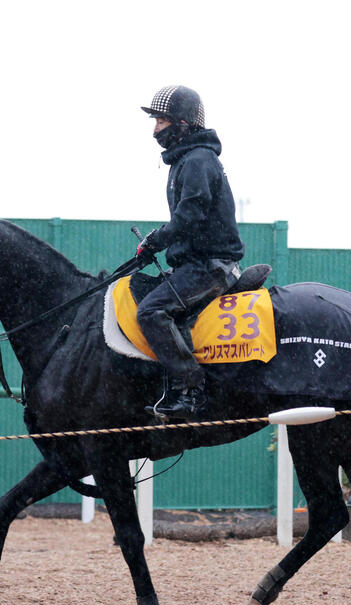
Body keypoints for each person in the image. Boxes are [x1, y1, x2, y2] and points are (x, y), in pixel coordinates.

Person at [136, 85, 245, 418]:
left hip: (210, 267)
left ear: (181, 123)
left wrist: (155, 240)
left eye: (161, 120)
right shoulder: (187, 159)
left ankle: (191, 390)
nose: (155, 128)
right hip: (195, 264)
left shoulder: (197, 160)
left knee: (151, 312)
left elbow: (190, 217)